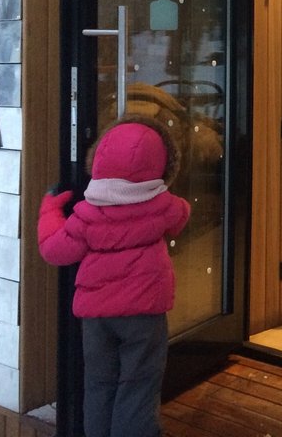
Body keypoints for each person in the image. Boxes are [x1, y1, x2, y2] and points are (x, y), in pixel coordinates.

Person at [38, 115, 191, 437]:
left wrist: (49, 210)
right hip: (145, 312)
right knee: (139, 383)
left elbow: (54, 250)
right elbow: (182, 215)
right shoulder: (165, 206)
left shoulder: (86, 215)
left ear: (98, 160)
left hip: (96, 316)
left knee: (99, 382)